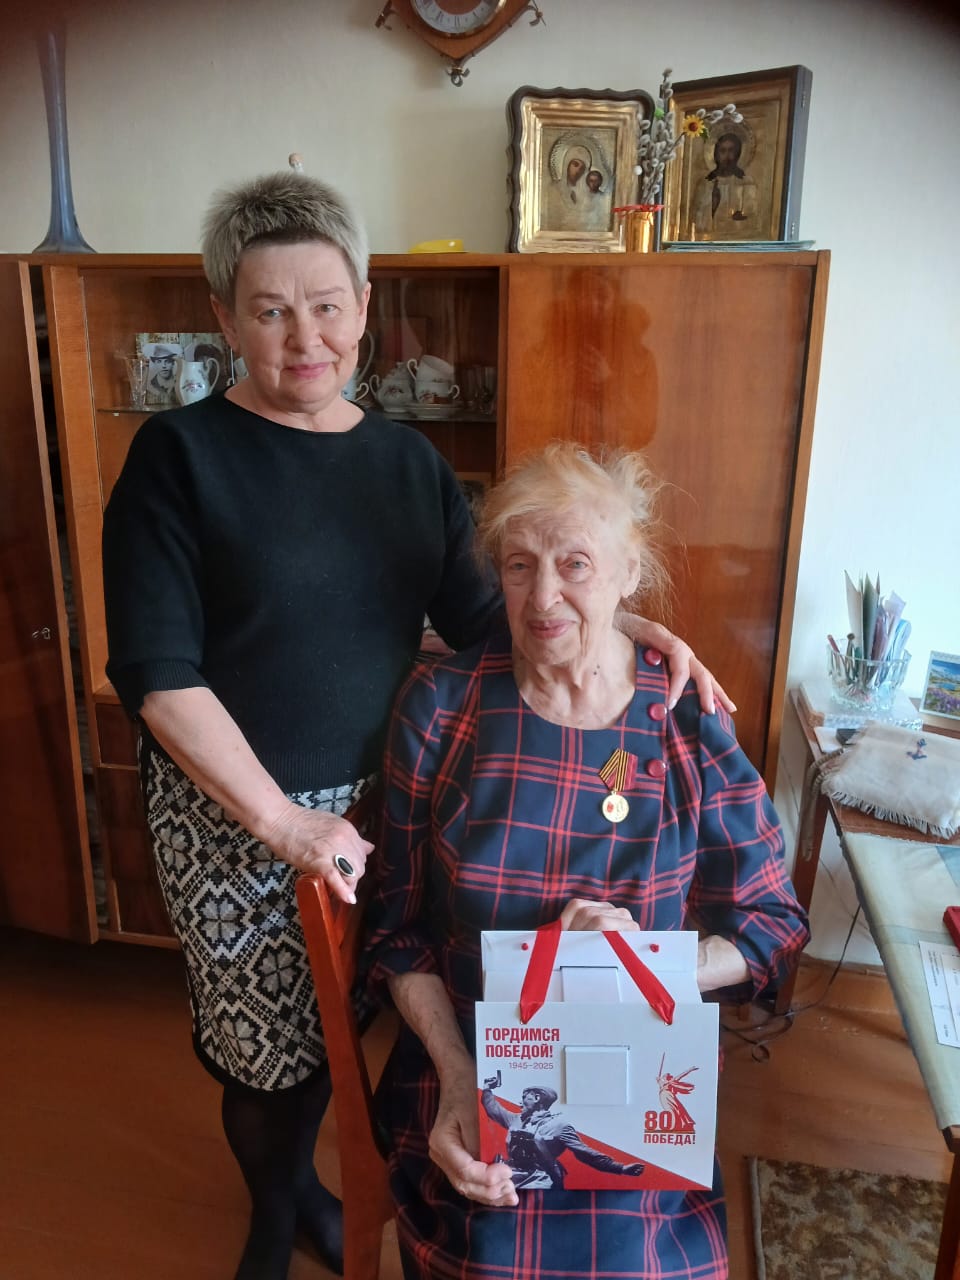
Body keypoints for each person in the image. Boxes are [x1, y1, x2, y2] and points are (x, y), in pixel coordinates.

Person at [101, 173, 727, 1280]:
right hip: (239, 819)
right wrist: (286, 823)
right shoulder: (178, 456)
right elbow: (157, 675)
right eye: (271, 310)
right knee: (269, 1061)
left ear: (364, 304)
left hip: (388, 803)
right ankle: (281, 1202)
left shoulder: (405, 463)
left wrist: (623, 620)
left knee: (359, 1037)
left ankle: (344, 1172)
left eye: (326, 305)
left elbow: (491, 616)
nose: (306, 337)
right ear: (226, 319)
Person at [364, 441, 810, 1280]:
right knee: (492, 1254)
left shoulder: (684, 719)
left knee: (636, 1262)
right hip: (474, 1063)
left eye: (574, 564)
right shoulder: (443, 709)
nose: (543, 597)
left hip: (638, 1076)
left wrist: (641, 964)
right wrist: (457, 1078)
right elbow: (396, 933)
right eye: (519, 565)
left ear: (628, 572)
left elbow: (773, 927)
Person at [481, 1081, 645, 1190]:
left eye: (524, 1097)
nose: (520, 1101)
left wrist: (620, 1168)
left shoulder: (559, 1126)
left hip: (539, 1180)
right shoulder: (516, 1120)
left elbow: (586, 1154)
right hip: (512, 1176)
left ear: (537, 1098)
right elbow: (493, 1109)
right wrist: (487, 1089)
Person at [692, 131, 759, 240]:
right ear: (716, 153)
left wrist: (742, 217)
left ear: (738, 153)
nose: (727, 156)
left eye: (731, 150)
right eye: (723, 151)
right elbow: (695, 216)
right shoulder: (705, 183)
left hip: (737, 240)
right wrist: (712, 205)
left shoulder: (746, 182)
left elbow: (753, 216)